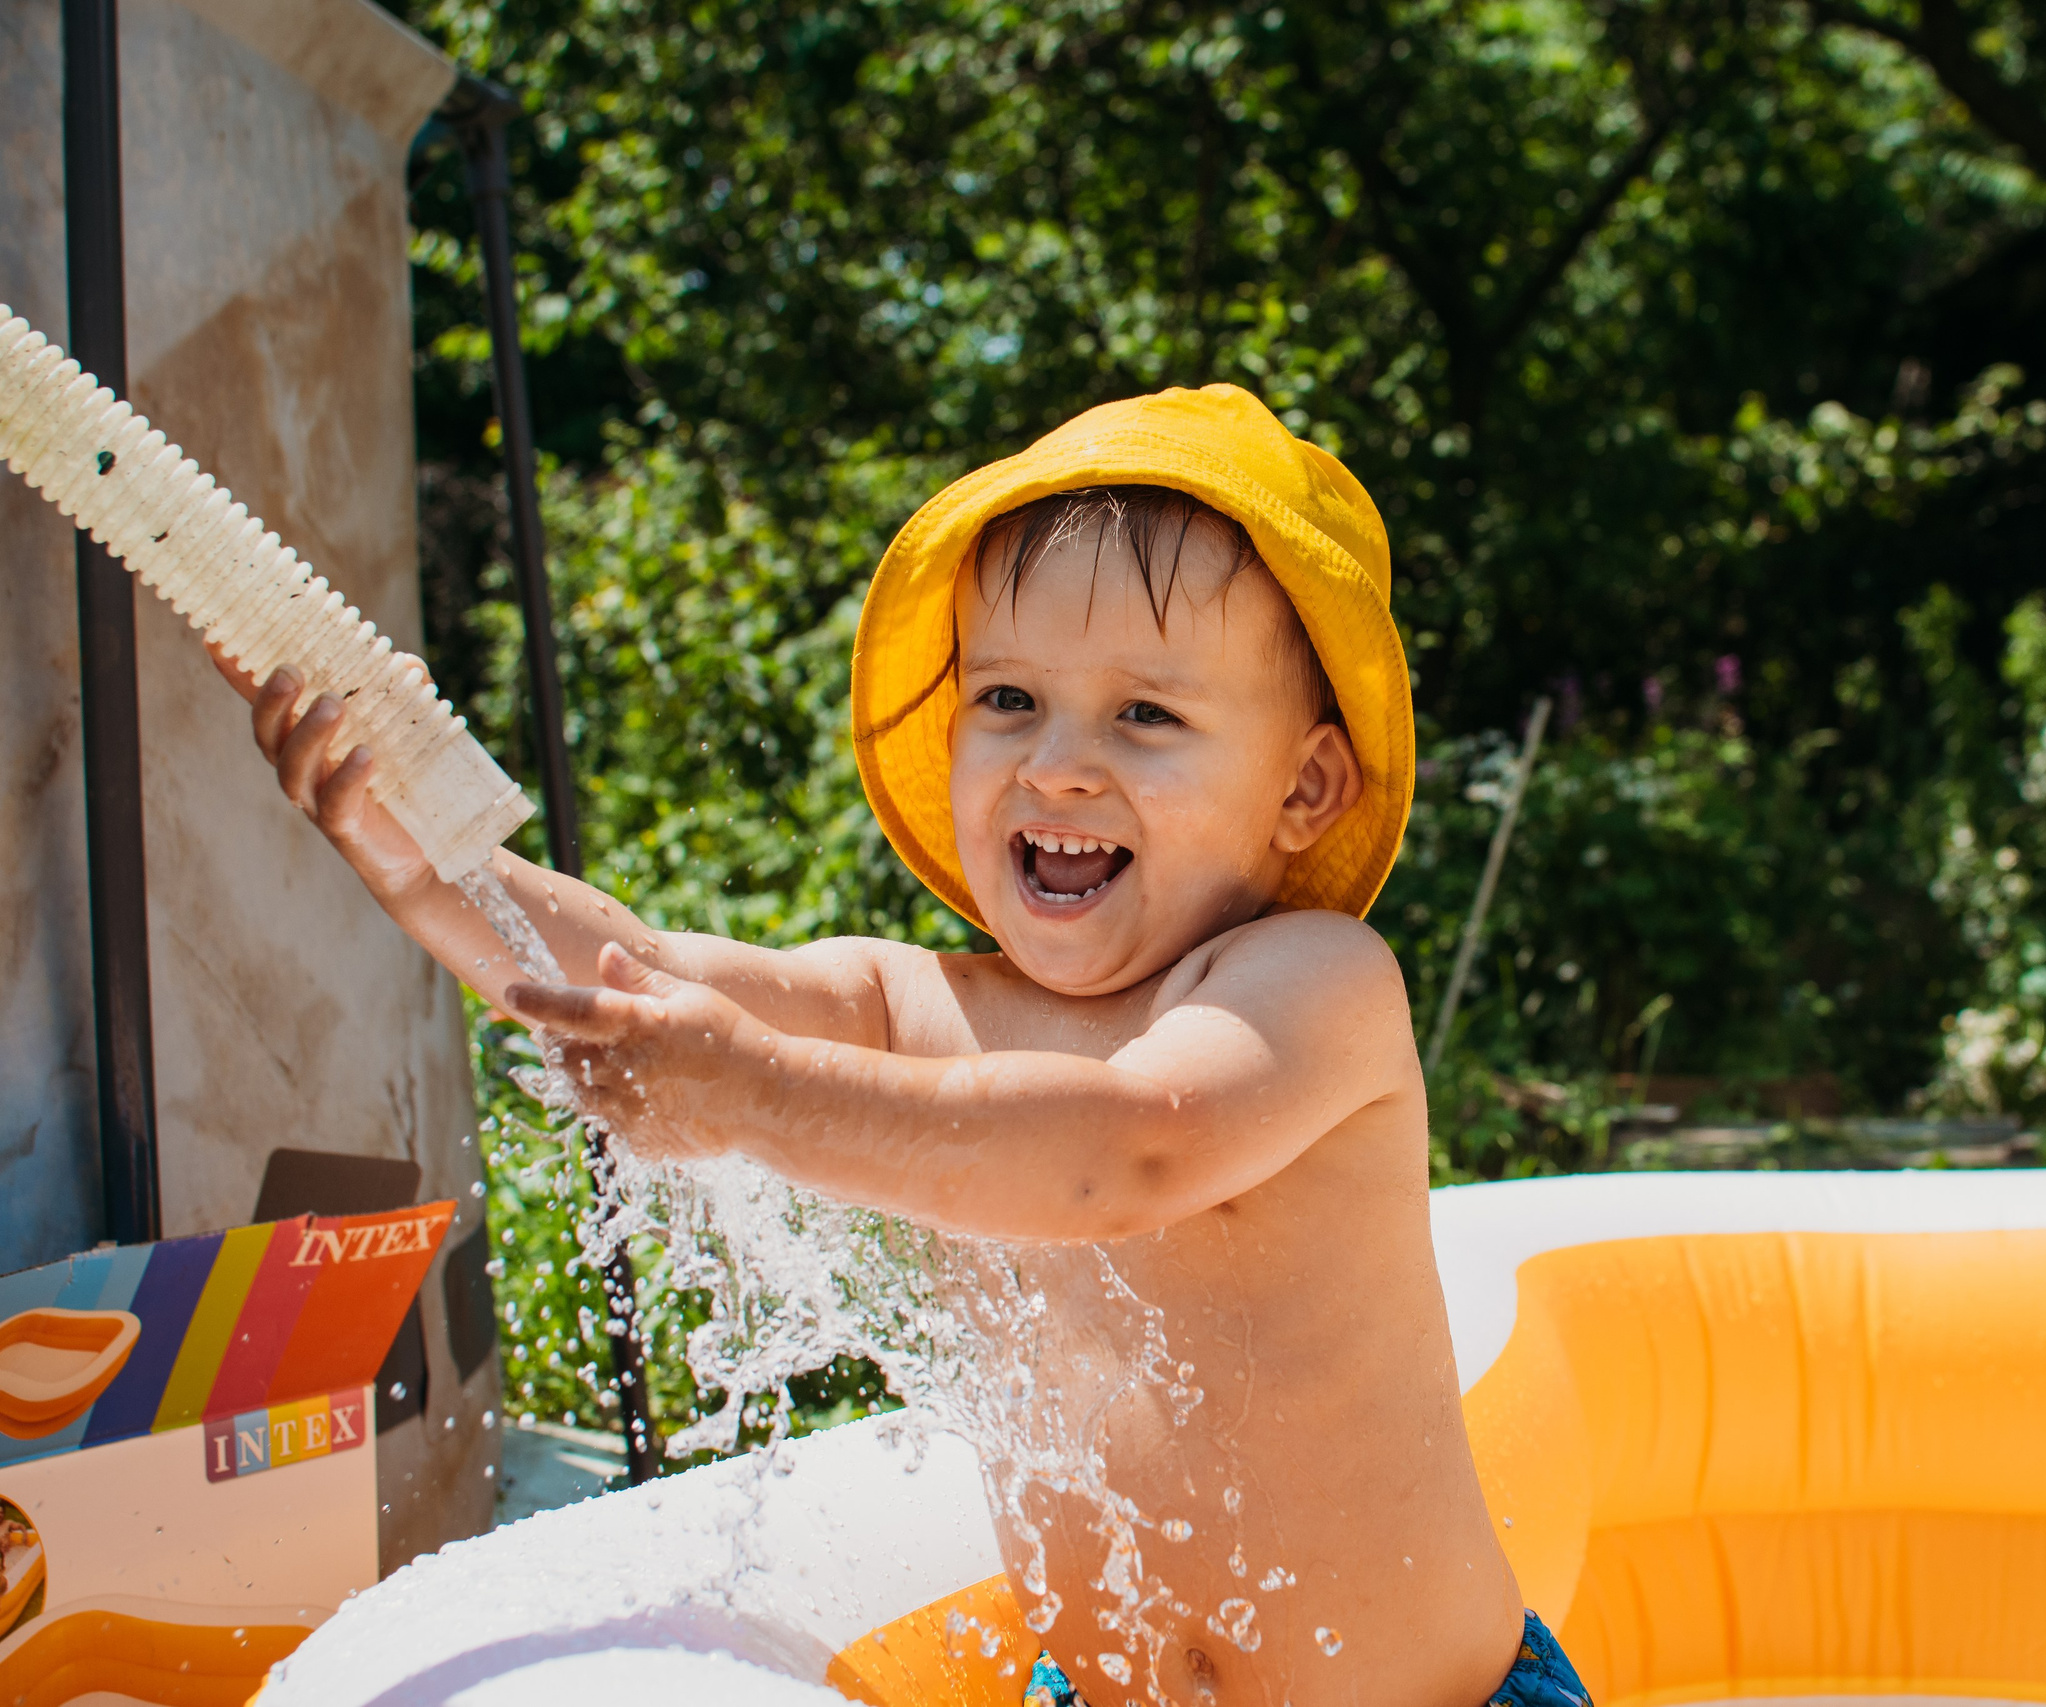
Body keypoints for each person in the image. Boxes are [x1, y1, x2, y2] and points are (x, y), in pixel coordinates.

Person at [217, 385, 1589, 1707]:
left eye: (1147, 714)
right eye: (1008, 699)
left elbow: (1126, 1150)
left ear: (1305, 785)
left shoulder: (1315, 986)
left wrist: (755, 1093)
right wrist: (429, 866)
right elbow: (640, 974)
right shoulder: (920, 1007)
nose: (1056, 763)